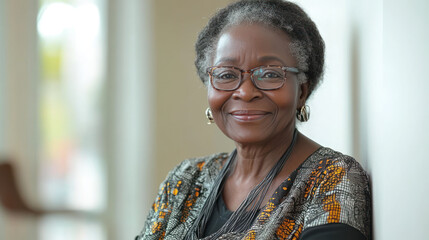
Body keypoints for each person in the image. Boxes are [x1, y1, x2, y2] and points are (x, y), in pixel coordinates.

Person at [136, 0, 371, 239]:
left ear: (302, 91)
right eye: (226, 74)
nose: (246, 92)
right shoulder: (184, 181)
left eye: (270, 74)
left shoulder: (331, 180)